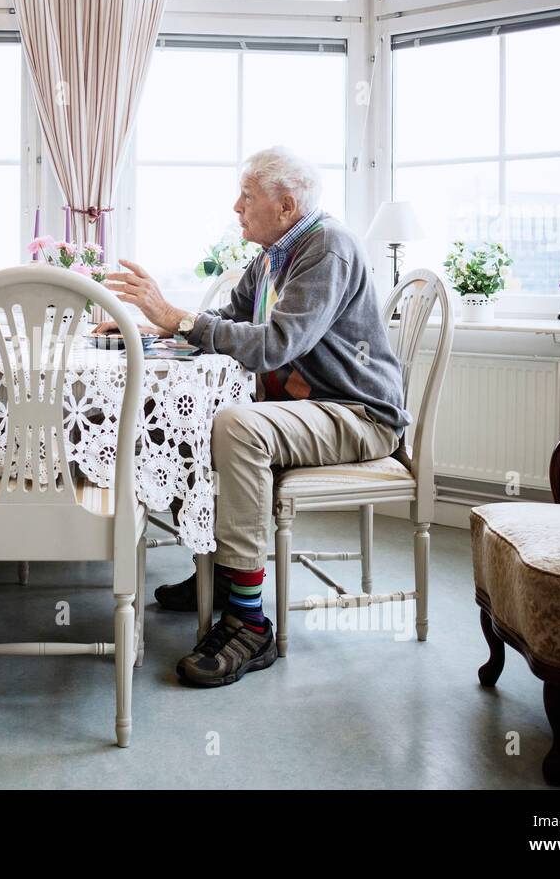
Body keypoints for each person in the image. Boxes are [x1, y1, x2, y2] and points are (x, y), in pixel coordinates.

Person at [102, 144, 409, 687]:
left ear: (286, 205)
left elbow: (275, 345)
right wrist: (157, 328)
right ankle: (221, 572)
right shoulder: (273, 256)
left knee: (237, 426)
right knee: (194, 416)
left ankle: (248, 620)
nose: (236, 206)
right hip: (309, 405)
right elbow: (227, 319)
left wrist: (176, 316)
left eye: (247, 196)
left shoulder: (327, 248)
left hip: (356, 412)